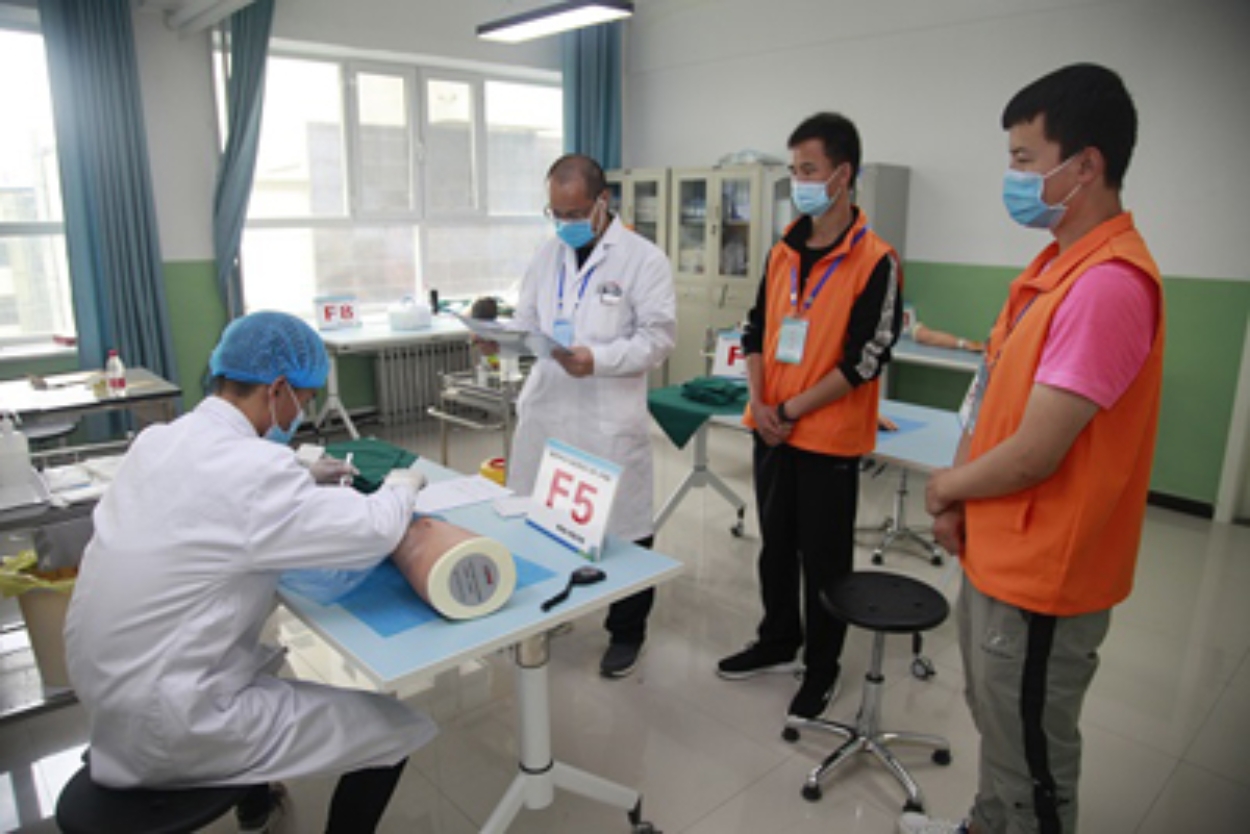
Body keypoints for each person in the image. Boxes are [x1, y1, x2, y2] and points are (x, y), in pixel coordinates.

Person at [900, 64, 1164, 834]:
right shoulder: (1052, 270)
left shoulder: (1107, 285)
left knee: (1031, 761)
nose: (1011, 178)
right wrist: (962, 500)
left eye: (1024, 159)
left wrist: (948, 488)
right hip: (1002, 547)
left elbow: (1037, 452)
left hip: (1046, 573)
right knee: (999, 723)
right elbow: (995, 406)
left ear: (1085, 166)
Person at [65, 311, 436, 834]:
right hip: (173, 722)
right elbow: (374, 530)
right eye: (303, 400)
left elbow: (211, 501)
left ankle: (256, 810)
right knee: (397, 729)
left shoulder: (158, 441)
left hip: (110, 694)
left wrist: (301, 474)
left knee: (261, 660)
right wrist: (403, 485)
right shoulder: (255, 471)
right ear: (277, 388)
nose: (301, 415)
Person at [717, 112, 903, 719]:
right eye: (794, 170)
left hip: (826, 440)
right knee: (775, 547)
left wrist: (789, 408)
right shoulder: (782, 251)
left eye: (808, 169)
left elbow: (865, 359)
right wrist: (761, 401)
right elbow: (754, 330)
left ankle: (823, 667)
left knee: (824, 561)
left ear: (843, 175)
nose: (798, 181)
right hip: (771, 430)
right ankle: (777, 639)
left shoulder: (876, 260)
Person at [505, 153, 676, 678]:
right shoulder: (547, 255)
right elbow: (526, 318)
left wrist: (598, 359)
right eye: (556, 213)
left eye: (575, 213)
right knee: (543, 517)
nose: (565, 224)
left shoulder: (643, 260)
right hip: (550, 409)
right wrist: (504, 338)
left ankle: (627, 631)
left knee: (624, 528)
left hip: (606, 415)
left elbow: (658, 339)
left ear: (604, 201)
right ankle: (552, 605)